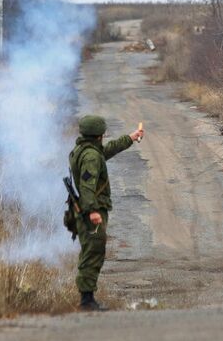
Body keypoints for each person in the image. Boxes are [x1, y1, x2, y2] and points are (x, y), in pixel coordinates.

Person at [69, 115, 144, 311]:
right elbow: (87, 186)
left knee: (92, 250)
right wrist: (93, 211)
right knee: (93, 251)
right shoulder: (91, 156)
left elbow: (106, 151)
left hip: (85, 209)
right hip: (90, 211)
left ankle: (87, 297)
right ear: (98, 134)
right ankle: (86, 300)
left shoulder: (85, 150)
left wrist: (130, 137)